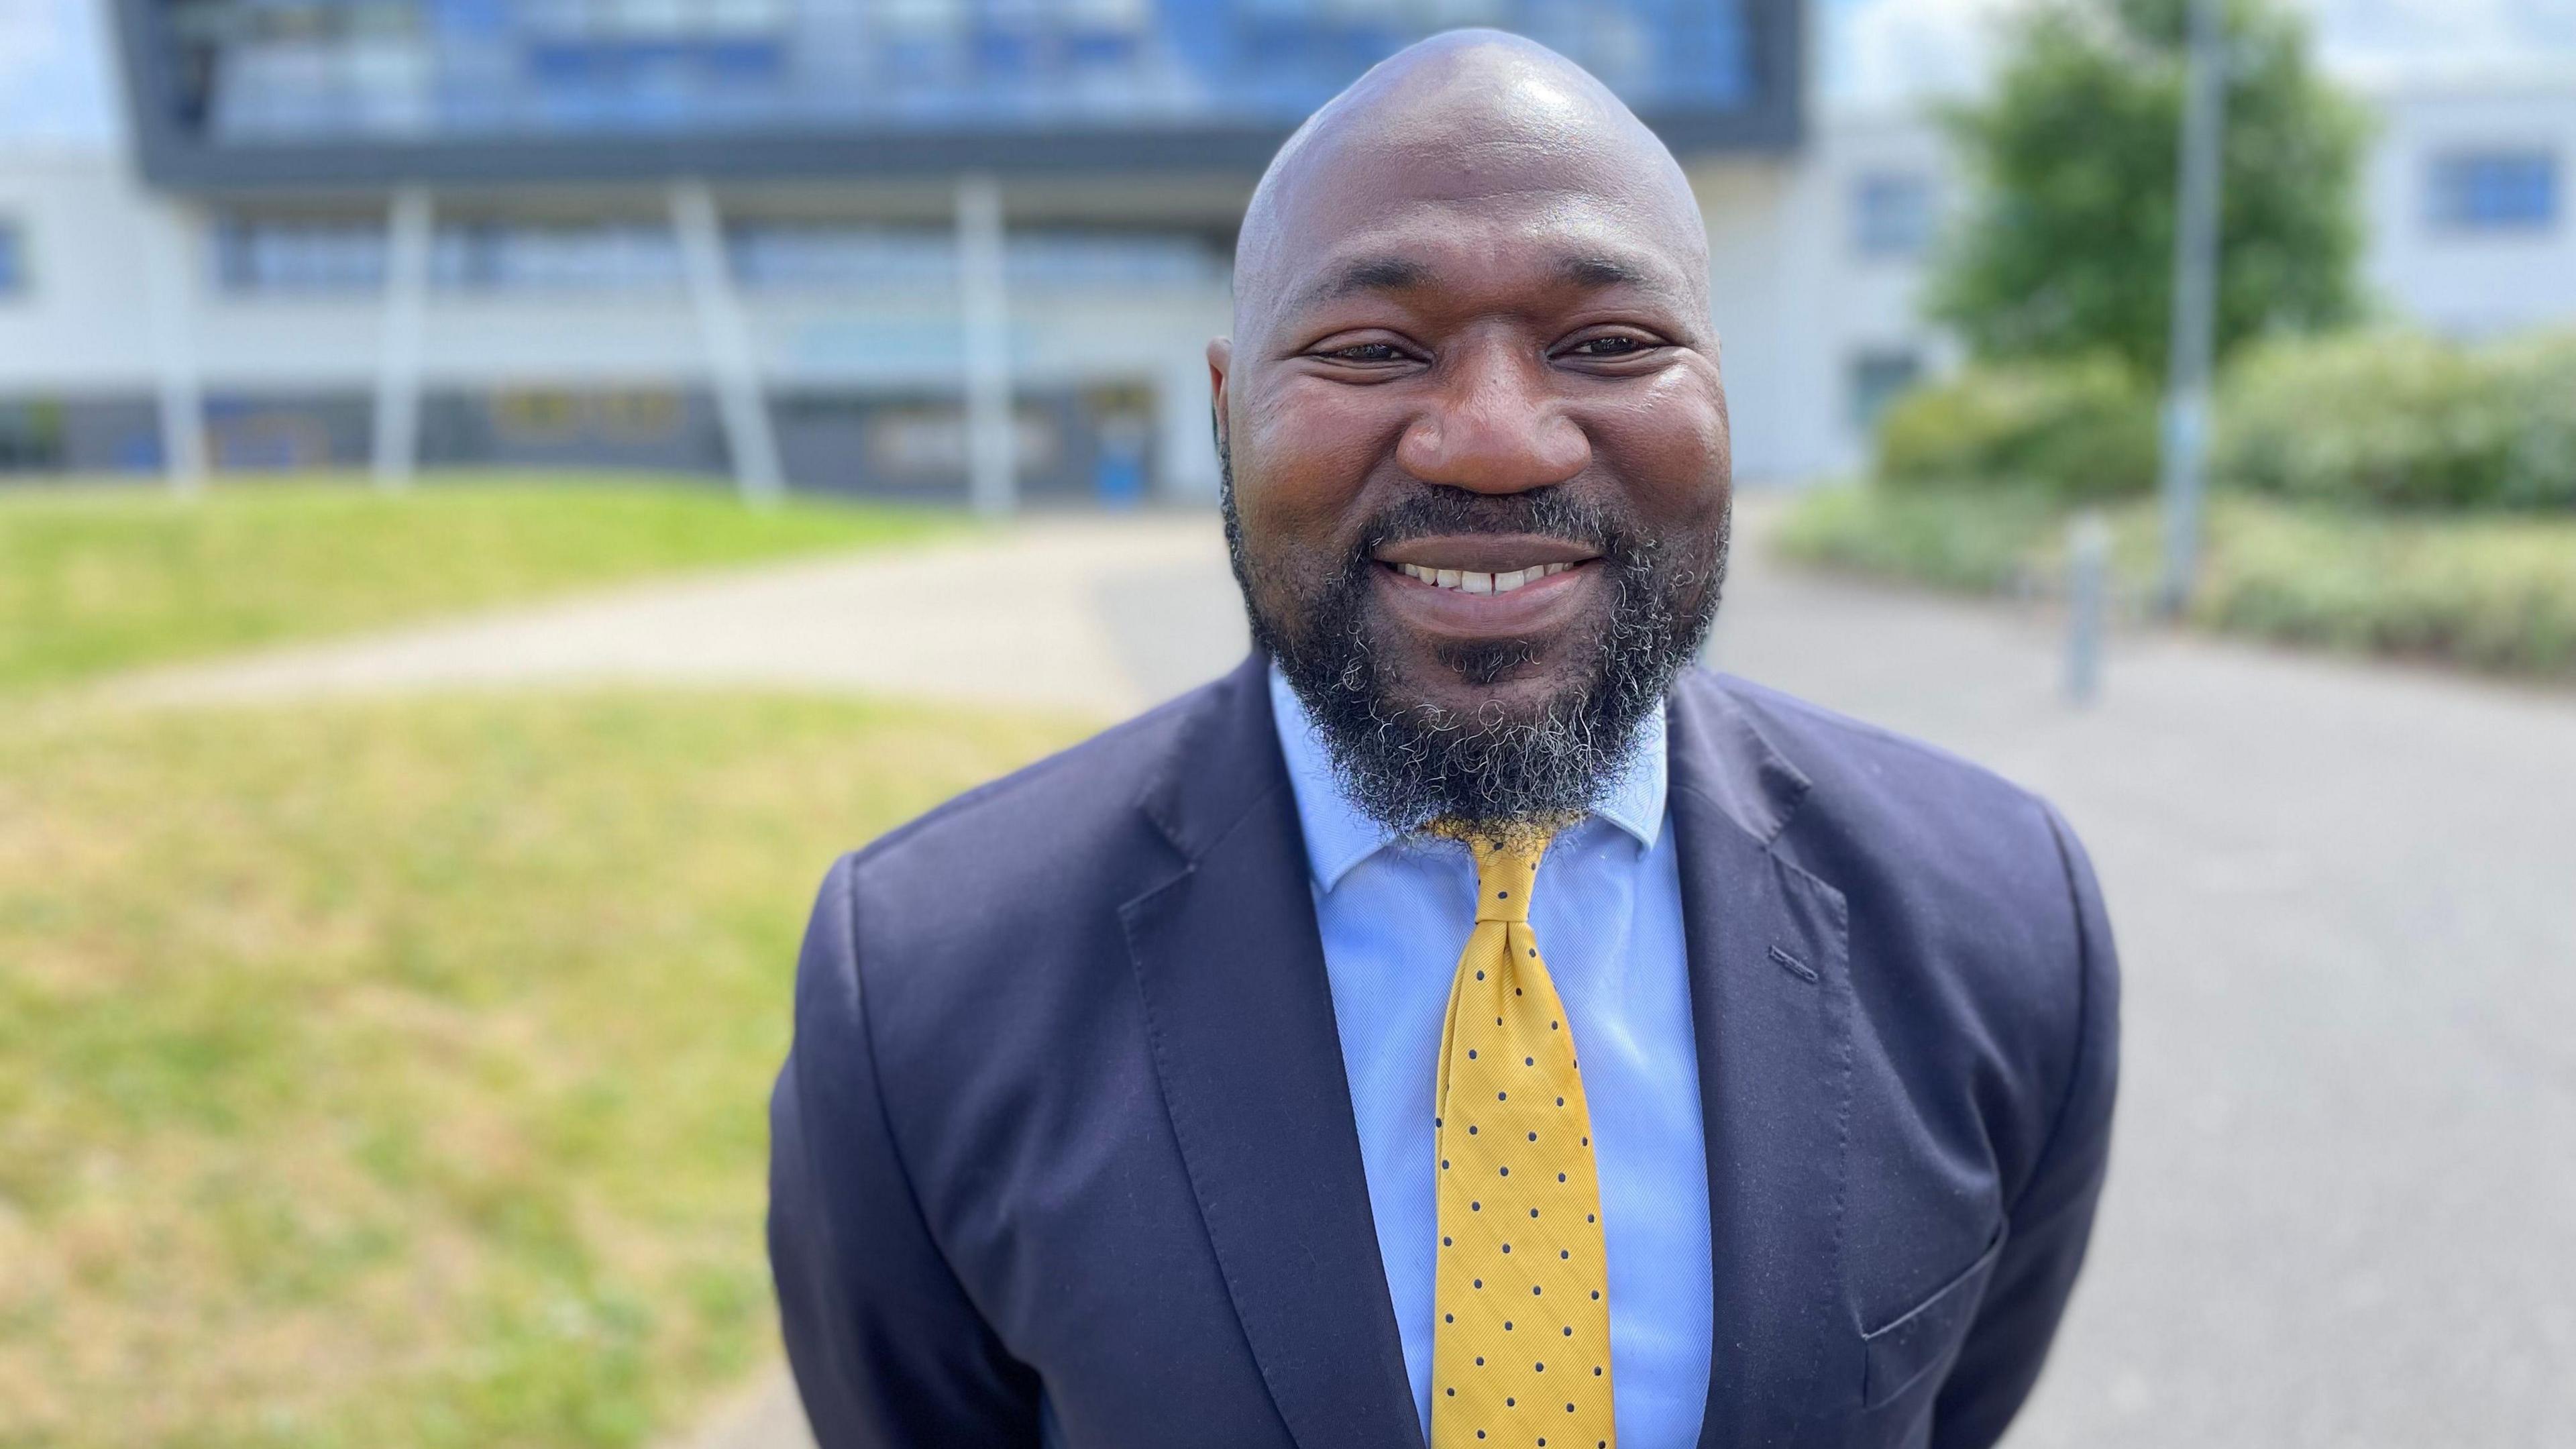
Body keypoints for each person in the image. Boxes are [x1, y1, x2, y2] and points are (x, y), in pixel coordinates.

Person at [767, 30, 2118, 1449]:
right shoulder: (922, 984)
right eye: (1371, 350)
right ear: (1231, 418)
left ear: (1722, 393)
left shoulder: (2004, 923)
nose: (1494, 439)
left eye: (1608, 344)